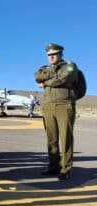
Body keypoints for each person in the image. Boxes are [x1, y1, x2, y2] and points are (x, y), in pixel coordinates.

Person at [34, 43, 79, 180]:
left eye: (54, 54)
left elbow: (63, 78)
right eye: (49, 55)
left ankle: (65, 168)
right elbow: (37, 76)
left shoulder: (70, 66)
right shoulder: (44, 68)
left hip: (64, 105)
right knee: (51, 139)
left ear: (60, 54)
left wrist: (46, 82)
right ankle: (53, 167)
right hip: (48, 106)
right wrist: (53, 73)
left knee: (66, 138)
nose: (51, 57)